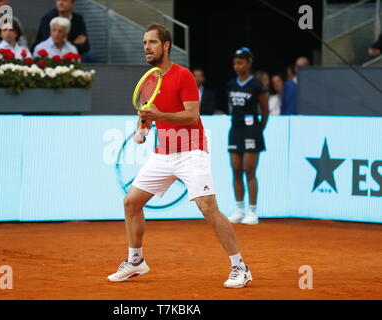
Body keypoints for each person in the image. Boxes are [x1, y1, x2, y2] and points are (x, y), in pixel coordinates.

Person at [107, 24, 252, 289]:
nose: (146, 47)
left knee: (208, 207)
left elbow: (191, 116)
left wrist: (158, 117)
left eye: (151, 42)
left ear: (165, 46)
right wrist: (142, 129)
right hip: (163, 154)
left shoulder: (183, 75)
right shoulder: (149, 79)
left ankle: (240, 267)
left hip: (191, 151)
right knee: (131, 202)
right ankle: (136, 260)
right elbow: (147, 115)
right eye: (143, 43)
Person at [227, 48, 269, 225]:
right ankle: (239, 209)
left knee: (249, 170)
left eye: (241, 62)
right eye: (235, 63)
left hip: (252, 130)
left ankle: (253, 211)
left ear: (249, 63)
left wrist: (259, 129)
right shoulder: (230, 84)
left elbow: (265, 110)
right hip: (235, 130)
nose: (237, 66)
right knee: (236, 170)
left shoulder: (257, 85)